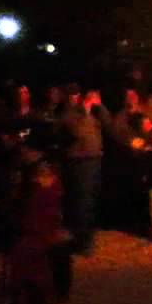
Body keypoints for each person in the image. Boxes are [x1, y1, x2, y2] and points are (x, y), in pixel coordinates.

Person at [3, 151, 73, 304]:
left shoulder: (34, 193)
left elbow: (25, 221)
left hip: (40, 257)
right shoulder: (49, 187)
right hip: (46, 254)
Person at [61, 89, 109, 255]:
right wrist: (86, 111)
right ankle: (83, 241)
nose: (76, 98)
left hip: (95, 160)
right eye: (72, 95)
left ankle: (87, 238)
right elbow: (77, 132)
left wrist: (100, 106)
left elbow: (108, 124)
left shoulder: (93, 114)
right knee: (83, 201)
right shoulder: (69, 115)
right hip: (80, 162)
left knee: (91, 200)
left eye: (78, 95)